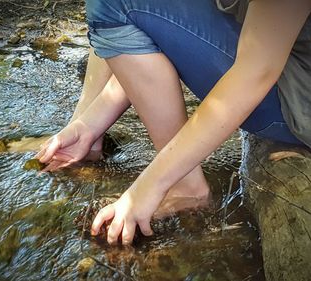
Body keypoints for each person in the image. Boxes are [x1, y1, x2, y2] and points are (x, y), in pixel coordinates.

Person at [36, 0, 311, 245]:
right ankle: (179, 179)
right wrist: (88, 123)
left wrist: (150, 184)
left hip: (296, 103)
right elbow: (151, 33)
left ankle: (184, 186)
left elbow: (256, 73)